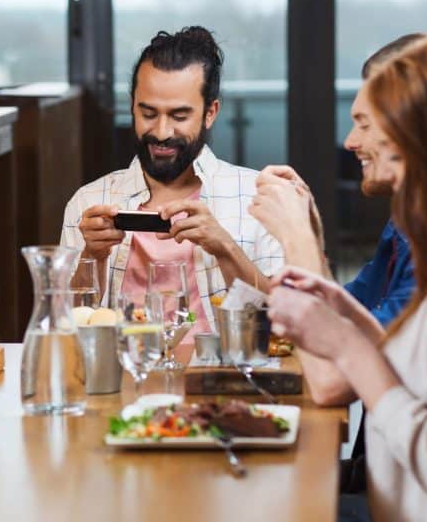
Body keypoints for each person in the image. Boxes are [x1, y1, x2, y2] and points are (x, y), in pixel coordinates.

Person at [267, 34, 427, 521]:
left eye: (370, 124)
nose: (352, 142)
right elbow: (417, 373)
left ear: (420, 139)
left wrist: (346, 344)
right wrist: (345, 315)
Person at [61, 26, 283, 330]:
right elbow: (66, 325)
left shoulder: (260, 198)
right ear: (132, 107)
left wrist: (224, 248)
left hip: (219, 374)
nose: (162, 133)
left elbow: (284, 320)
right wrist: (92, 255)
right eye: (148, 114)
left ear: (210, 112)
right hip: (123, 372)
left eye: (179, 116)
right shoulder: (88, 201)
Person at [249, 34, 425, 405]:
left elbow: (334, 382)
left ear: (409, 126)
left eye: (364, 123)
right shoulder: (405, 223)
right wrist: (312, 236)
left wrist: (296, 238)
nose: (349, 142)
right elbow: (345, 316)